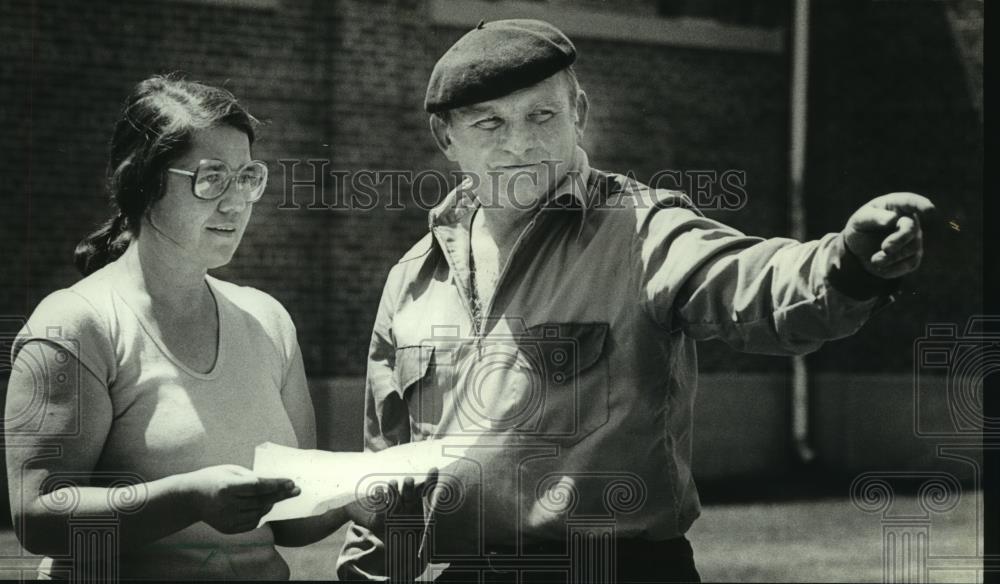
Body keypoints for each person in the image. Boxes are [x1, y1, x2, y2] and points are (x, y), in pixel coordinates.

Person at [336, 19, 935, 583]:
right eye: (489, 124)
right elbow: (388, 472)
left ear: (579, 114)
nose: (520, 143)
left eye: (542, 115)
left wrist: (845, 266)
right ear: (447, 138)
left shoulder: (643, 229)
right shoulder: (414, 277)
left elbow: (751, 281)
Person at [4, 75, 433, 580]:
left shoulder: (267, 320)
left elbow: (292, 521)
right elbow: (38, 517)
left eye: (247, 177)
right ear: (141, 181)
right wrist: (186, 498)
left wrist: (353, 499)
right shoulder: (79, 323)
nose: (236, 202)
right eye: (210, 178)